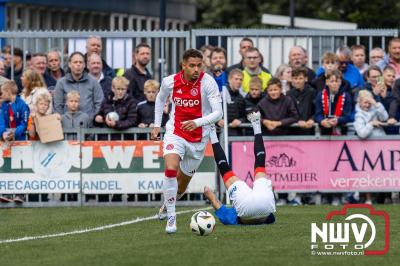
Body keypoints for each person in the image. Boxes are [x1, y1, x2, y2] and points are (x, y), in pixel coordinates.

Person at [151, 49, 222, 234]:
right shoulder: (170, 81)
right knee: (171, 168)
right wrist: (157, 125)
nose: (196, 69)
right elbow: (160, 99)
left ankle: (168, 204)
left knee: (181, 185)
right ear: (183, 65)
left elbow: (218, 113)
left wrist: (197, 122)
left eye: (199, 65)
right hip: (176, 132)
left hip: (199, 140)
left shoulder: (208, 83)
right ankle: (172, 218)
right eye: (192, 65)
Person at [203, 112, 275, 225]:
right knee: (226, 171)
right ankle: (212, 131)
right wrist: (208, 193)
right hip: (258, 207)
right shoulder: (231, 219)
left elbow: (271, 213)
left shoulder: (234, 218)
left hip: (266, 208)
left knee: (260, 168)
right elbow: (212, 198)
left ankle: (256, 125)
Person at [54, 52, 104, 120]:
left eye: (81, 62)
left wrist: (92, 120)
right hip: (66, 127)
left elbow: (99, 104)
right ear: (69, 64)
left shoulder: (93, 82)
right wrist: (64, 121)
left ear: (84, 65)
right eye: (75, 62)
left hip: (89, 127)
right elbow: (58, 106)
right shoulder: (61, 83)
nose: (78, 64)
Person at [314, 69, 353, 136]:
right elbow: (318, 114)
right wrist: (322, 121)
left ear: (340, 82)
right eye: (332, 81)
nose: (334, 84)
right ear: (327, 82)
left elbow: (347, 115)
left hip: (341, 131)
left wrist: (338, 120)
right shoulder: (320, 95)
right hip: (324, 131)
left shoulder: (346, 96)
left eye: (337, 81)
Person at [217, 68, 246, 136]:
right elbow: (210, 111)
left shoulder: (242, 97)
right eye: (236, 79)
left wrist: (240, 121)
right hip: (220, 132)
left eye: (241, 79)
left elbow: (244, 116)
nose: (239, 81)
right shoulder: (221, 94)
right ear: (229, 79)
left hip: (236, 133)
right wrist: (217, 121)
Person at [287, 67, 316, 135]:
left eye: (300, 78)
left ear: (306, 79)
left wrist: (312, 119)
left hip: (310, 129)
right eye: (295, 78)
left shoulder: (312, 92)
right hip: (293, 130)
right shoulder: (289, 94)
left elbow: (316, 109)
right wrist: (297, 120)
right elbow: (288, 111)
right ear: (292, 79)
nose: (298, 81)